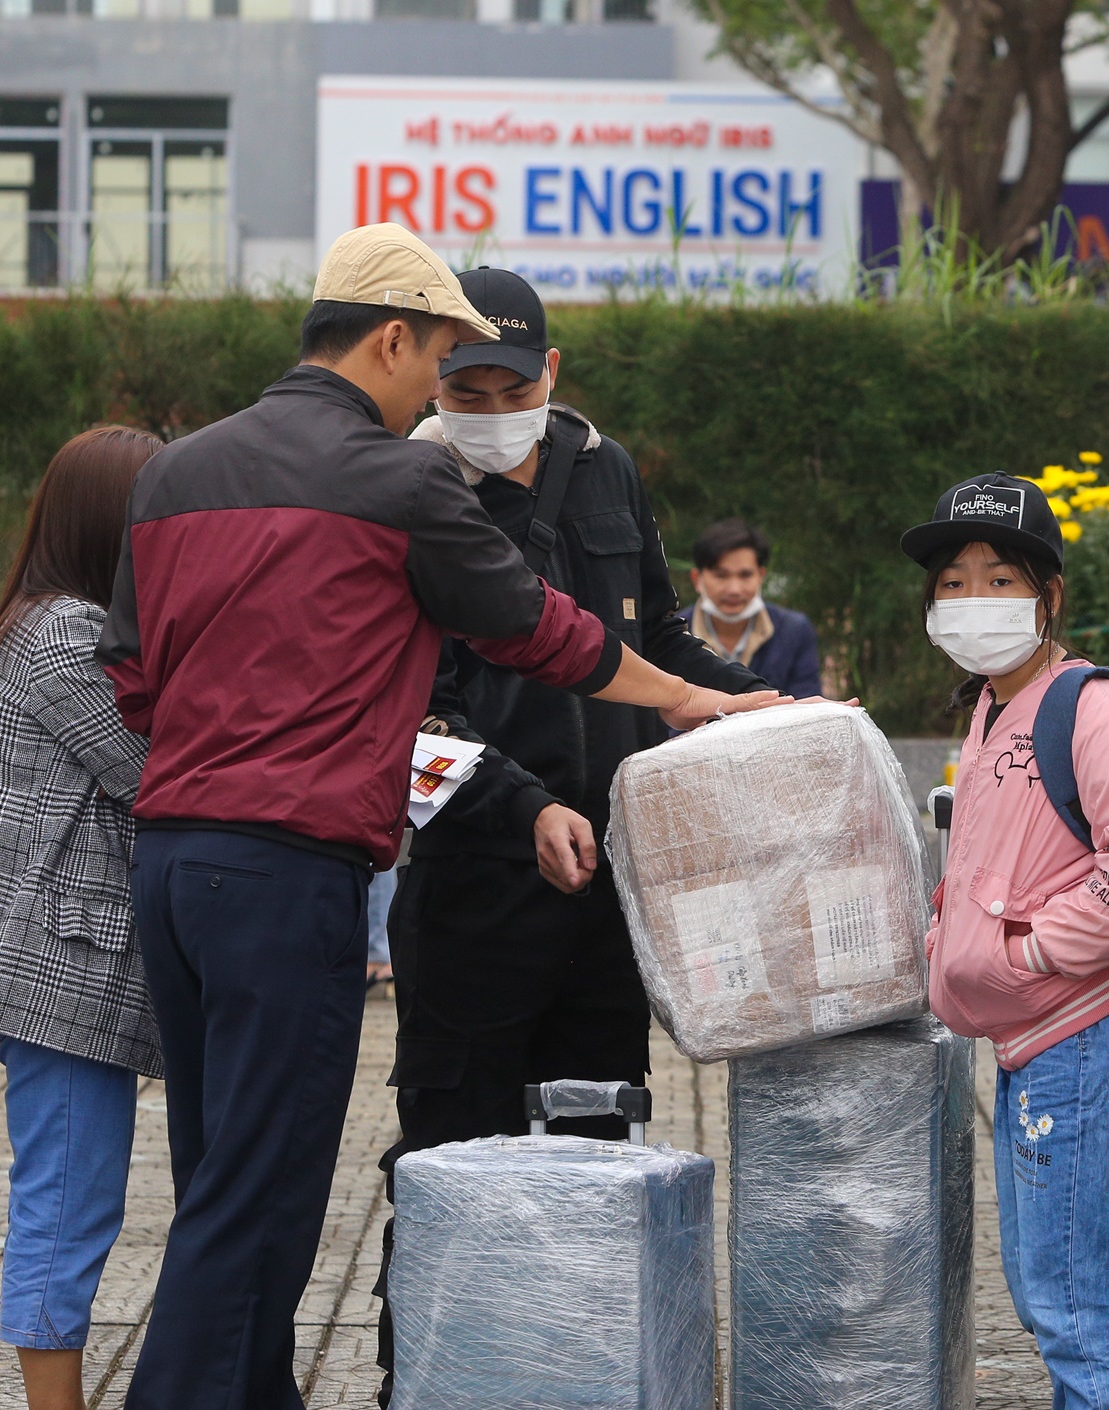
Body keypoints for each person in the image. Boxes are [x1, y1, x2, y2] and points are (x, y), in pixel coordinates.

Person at [95, 224, 774, 1410]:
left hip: (174, 860)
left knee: (218, 1171)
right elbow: (534, 627)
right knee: (262, 1189)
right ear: (395, 337)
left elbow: (134, 680)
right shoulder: (396, 475)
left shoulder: (174, 472)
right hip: (286, 869)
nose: (444, 394)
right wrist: (679, 695)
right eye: (442, 361)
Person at [373, 267, 774, 1395]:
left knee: (597, 1158)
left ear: (552, 376)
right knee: (452, 1157)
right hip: (473, 892)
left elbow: (660, 652)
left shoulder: (607, 476)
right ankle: (436, 1379)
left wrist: (743, 703)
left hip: (605, 898)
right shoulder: (407, 488)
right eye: (467, 388)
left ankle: (581, 1376)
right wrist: (521, 803)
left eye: (509, 388)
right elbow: (404, 711)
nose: (487, 412)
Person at [901, 473, 1109, 1410]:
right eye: (953, 581)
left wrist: (1028, 953)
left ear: (1049, 595)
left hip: (1093, 1034)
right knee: (1047, 1297)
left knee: (1081, 1311)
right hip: (1038, 1044)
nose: (972, 601)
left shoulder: (1092, 709)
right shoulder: (992, 704)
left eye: (998, 579)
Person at [0, 427, 163, 1410]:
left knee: (73, 1198)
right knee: (66, 1203)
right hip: (60, 965)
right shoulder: (65, 633)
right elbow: (154, 772)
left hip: (60, 960)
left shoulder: (48, 617)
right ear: (110, 520)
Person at [679, 517, 823, 699]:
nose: (734, 589)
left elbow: (808, 706)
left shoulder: (794, 631)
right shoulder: (672, 634)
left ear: (761, 575)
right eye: (721, 576)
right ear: (696, 578)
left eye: (745, 575)